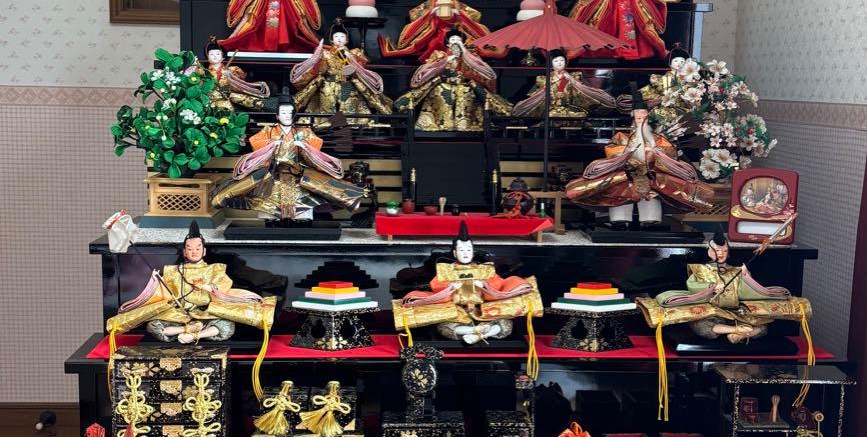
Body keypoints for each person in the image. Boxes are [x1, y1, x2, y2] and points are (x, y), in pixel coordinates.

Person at [106, 222, 275, 344]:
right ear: (184, 252)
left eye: (198, 248)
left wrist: (207, 287)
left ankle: (194, 335)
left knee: (227, 326)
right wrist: (155, 280)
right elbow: (162, 292)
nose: (194, 252)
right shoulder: (174, 271)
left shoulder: (214, 269)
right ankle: (187, 330)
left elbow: (222, 287)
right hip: (179, 313)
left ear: (204, 251)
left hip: (206, 312)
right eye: (190, 249)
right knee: (153, 327)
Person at [565, 88, 713, 226]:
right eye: (638, 118)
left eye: (644, 117)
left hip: (653, 176)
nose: (641, 120)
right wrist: (627, 153)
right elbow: (612, 152)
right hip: (626, 175)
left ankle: (650, 221)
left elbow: (669, 155)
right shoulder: (621, 137)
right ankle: (620, 220)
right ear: (633, 118)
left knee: (652, 196)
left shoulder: (659, 139)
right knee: (620, 191)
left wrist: (656, 153)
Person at [635, 229, 812, 344]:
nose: (721, 254)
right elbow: (692, 286)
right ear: (710, 252)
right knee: (701, 325)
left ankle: (742, 334)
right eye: (717, 251)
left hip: (737, 309)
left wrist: (746, 277)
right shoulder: (700, 269)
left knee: (763, 325)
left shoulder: (736, 270)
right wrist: (710, 288)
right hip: (712, 310)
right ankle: (735, 331)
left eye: (724, 251)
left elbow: (749, 291)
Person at [211, 96, 363, 222]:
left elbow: (315, 149)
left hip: (298, 173)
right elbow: (255, 142)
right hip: (272, 174)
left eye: (290, 112)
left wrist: (305, 147)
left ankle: (301, 222)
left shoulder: (304, 132)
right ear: (277, 116)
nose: (287, 116)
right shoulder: (268, 131)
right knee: (262, 199)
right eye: (283, 113)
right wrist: (271, 144)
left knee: (314, 195)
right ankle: (270, 222)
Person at [392, 222, 543, 344]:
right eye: (462, 250)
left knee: (506, 324)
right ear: (454, 253)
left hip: (481, 307)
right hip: (457, 309)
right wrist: (449, 289)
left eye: (469, 250)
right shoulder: (446, 270)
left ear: (473, 252)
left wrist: (486, 287)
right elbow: (435, 287)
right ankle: (475, 332)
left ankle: (481, 334)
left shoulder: (484, 269)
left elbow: (499, 285)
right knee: (445, 327)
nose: (465, 253)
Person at [394, 31, 513, 132]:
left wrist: (465, 55)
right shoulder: (439, 54)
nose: (456, 42)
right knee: (441, 92)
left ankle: (465, 124)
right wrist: (446, 60)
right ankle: (440, 123)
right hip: (443, 83)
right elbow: (427, 69)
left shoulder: (471, 56)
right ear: (448, 43)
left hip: (465, 84)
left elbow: (485, 71)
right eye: (453, 39)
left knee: (466, 93)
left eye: (458, 40)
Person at [290, 20, 392, 124]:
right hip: (328, 83)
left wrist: (349, 57)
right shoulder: (325, 53)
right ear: (331, 39)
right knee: (327, 105)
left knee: (349, 106)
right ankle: (326, 125)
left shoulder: (354, 53)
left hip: (346, 83)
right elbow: (320, 69)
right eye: (336, 36)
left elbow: (362, 64)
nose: (339, 39)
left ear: (347, 40)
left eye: (342, 36)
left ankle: (348, 126)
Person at [378, 0, 494, 61]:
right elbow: (415, 13)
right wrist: (431, 13)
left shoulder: (456, 3)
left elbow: (473, 14)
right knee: (434, 44)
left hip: (455, 30)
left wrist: (458, 13)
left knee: (467, 45)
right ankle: (433, 62)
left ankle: (456, 62)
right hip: (436, 29)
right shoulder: (432, 2)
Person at [512, 50, 616, 120]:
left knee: (580, 115)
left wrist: (571, 81)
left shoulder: (573, 77)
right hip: (551, 110)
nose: (559, 63)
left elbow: (584, 91)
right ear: (551, 63)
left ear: (566, 62)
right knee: (551, 115)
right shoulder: (544, 79)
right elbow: (535, 96)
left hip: (569, 108)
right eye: (556, 61)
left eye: (562, 60)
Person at [188, 38, 269, 113]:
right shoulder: (204, 72)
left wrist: (230, 76)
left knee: (254, 103)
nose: (215, 56)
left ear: (223, 56)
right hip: (210, 98)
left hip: (228, 95)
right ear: (207, 57)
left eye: (218, 54)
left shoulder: (232, 70)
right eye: (211, 54)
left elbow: (239, 84)